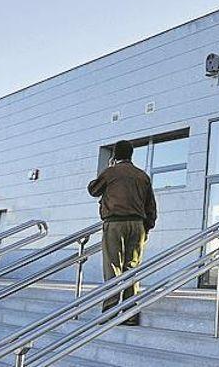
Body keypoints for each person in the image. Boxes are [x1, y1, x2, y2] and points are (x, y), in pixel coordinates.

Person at [87, 140, 157, 326]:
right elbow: (151, 205)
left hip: (115, 223)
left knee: (112, 266)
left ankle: (110, 311)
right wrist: (147, 227)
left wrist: (109, 168)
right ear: (131, 155)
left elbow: (93, 190)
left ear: (115, 155)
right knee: (131, 267)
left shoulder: (111, 172)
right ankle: (131, 313)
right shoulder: (142, 176)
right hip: (137, 224)